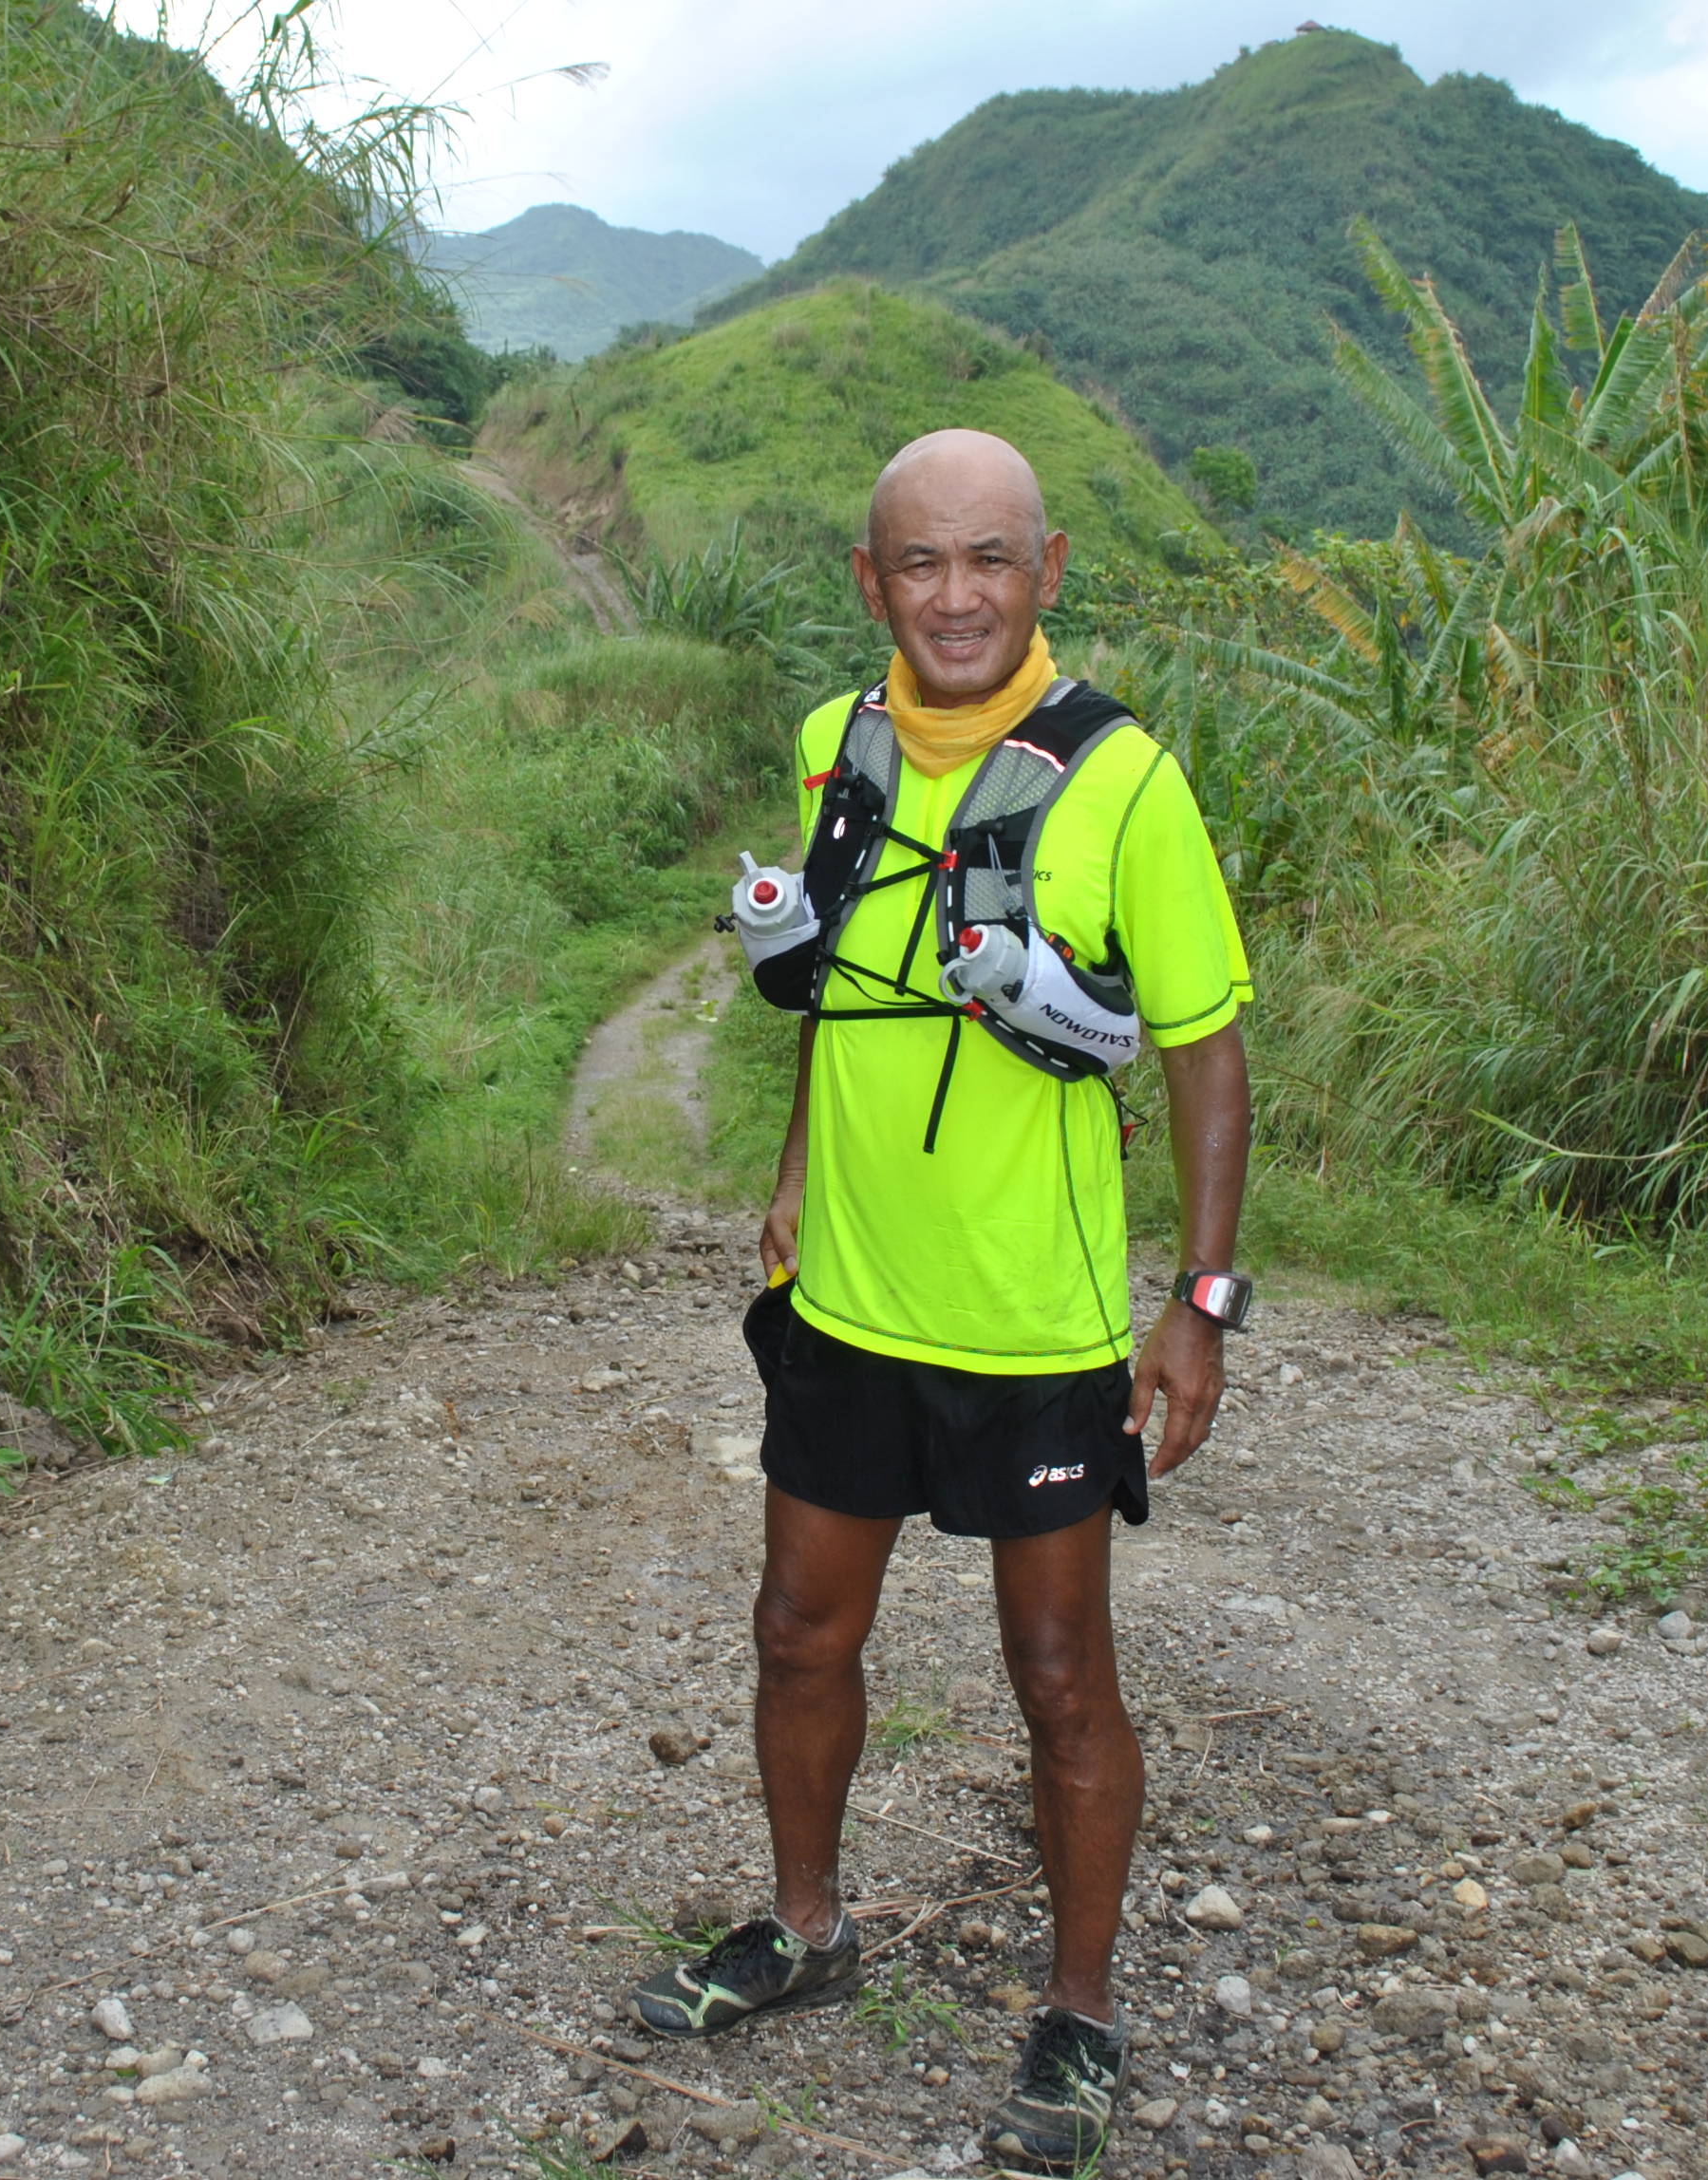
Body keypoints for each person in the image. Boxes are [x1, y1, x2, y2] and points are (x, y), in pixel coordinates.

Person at [627, 428, 1254, 2171]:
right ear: (871, 582)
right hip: (849, 1302)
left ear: (1047, 572)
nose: (956, 596)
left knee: (1059, 1677)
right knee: (797, 1631)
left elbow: (1205, 1050)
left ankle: (1080, 2014)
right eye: (921, 562)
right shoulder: (837, 744)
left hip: (1037, 1326)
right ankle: (808, 1928)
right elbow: (841, 980)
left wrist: (1199, 1304)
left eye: (990, 560)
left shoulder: (1127, 780)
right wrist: (792, 1165)